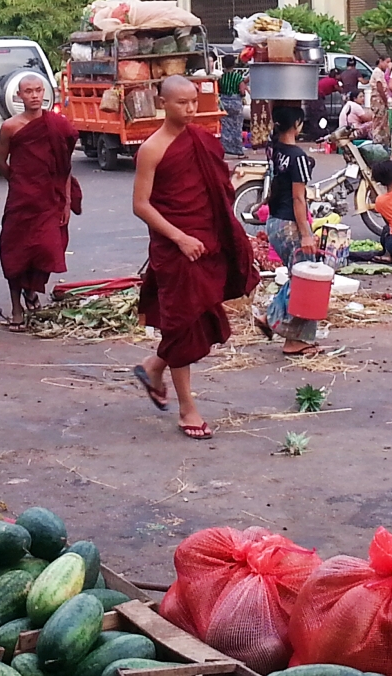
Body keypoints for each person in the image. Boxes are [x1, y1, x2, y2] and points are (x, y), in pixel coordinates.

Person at [131, 76, 253, 440]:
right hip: (176, 247)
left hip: (207, 244)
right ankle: (188, 408)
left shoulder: (202, 141)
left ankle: (153, 366)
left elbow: (217, 191)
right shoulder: (151, 149)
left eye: (194, 102)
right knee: (182, 322)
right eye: (181, 102)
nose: (190, 109)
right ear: (162, 103)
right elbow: (140, 205)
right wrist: (180, 237)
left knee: (198, 316)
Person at [0, 74, 81, 328]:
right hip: (22, 199)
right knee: (15, 251)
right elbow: (1, 162)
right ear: (19, 96)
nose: (34, 95)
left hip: (49, 199)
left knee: (47, 248)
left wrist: (65, 202)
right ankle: (16, 308)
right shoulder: (11, 127)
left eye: (38, 90)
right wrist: (18, 181)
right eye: (28, 91)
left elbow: (64, 167)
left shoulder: (57, 124)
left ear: (45, 92)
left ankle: (31, 290)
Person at [257, 106, 322, 357]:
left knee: (299, 277)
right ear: (297, 124)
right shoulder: (297, 156)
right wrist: (306, 233)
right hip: (289, 224)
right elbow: (299, 199)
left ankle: (270, 316)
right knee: (308, 280)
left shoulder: (274, 150)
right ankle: (295, 340)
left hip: (274, 222)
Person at [218, 55, 246, 157]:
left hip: (224, 102)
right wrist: (242, 95)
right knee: (237, 126)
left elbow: (219, 90)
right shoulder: (238, 77)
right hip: (235, 102)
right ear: (234, 64)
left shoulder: (221, 77)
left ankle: (225, 150)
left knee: (225, 126)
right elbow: (242, 90)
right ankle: (238, 151)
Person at [367, 55, 392, 145]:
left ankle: (381, 141)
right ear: (381, 61)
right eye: (387, 62)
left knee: (382, 121)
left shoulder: (381, 72)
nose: (388, 64)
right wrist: (385, 100)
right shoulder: (378, 72)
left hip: (379, 99)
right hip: (378, 100)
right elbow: (379, 87)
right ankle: (377, 141)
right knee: (379, 121)